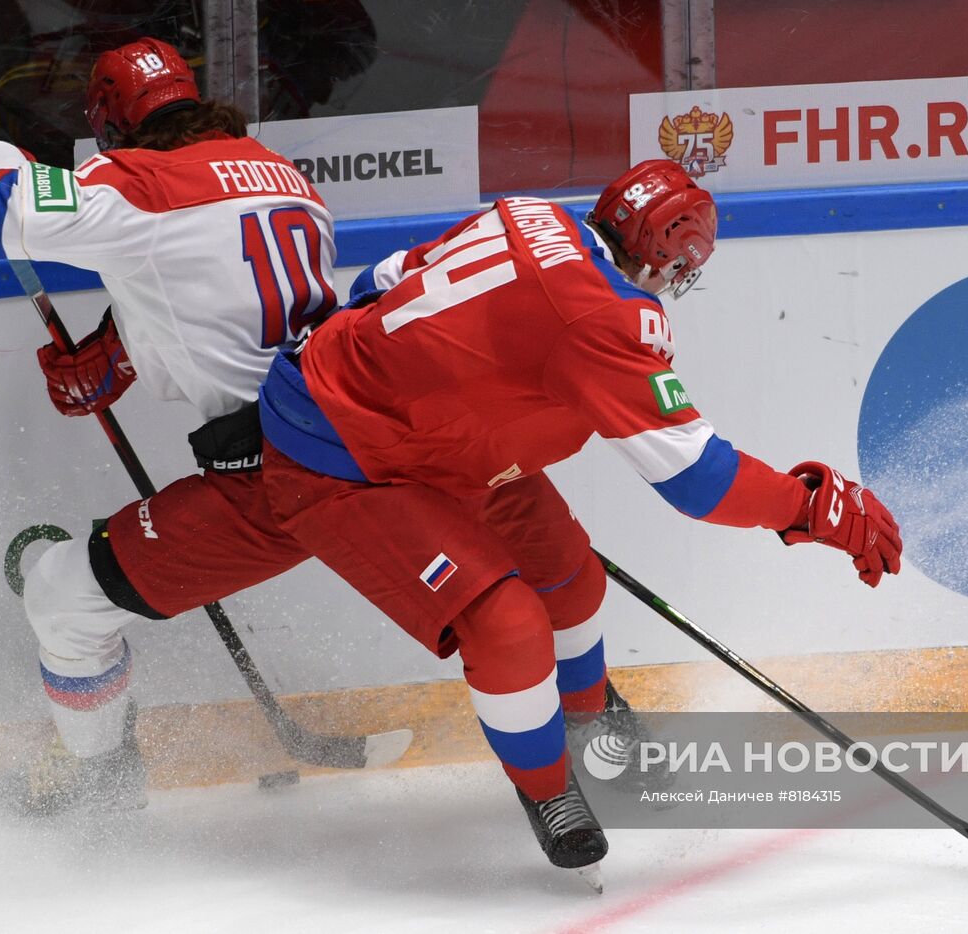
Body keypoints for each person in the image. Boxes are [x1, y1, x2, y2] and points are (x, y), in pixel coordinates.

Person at [256, 159, 903, 886]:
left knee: (570, 576)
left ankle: (590, 716)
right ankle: (548, 787)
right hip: (344, 456)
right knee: (509, 626)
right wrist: (813, 504)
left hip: (438, 438)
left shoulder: (531, 208)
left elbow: (380, 278)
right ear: (666, 252)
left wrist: (435, 375)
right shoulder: (601, 317)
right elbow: (699, 479)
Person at [0, 37, 364, 815]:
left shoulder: (138, 181)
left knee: (62, 595)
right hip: (357, 442)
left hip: (279, 481)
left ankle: (101, 781)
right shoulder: (283, 177)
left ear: (108, 121)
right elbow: (213, 282)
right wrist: (116, 350)